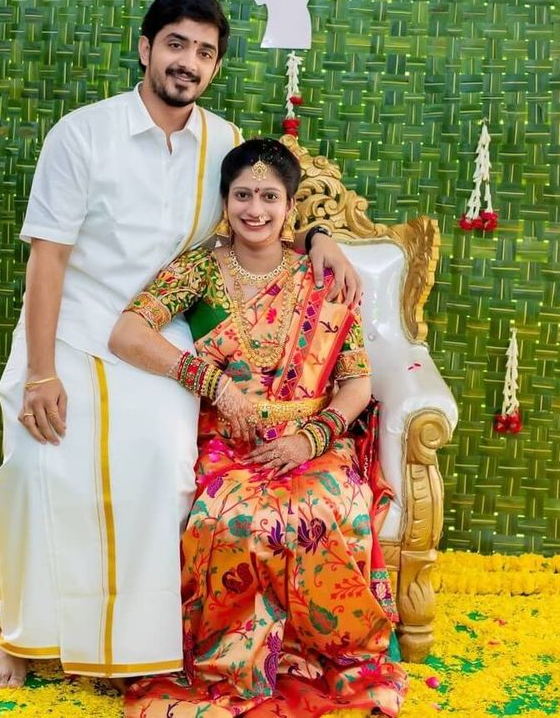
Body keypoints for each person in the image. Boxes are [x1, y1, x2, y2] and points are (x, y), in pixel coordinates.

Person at [0, 0, 362, 688]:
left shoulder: (219, 140)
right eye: (178, 44)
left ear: (215, 67)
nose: (189, 62)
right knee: (41, 463)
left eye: (205, 52)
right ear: (146, 48)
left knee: (161, 463)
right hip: (68, 329)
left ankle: (126, 646)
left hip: (161, 343)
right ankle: (24, 636)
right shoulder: (82, 134)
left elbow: (254, 214)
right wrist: (40, 372)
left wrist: (319, 235)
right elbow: (47, 258)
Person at [109, 138, 407, 718]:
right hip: (229, 441)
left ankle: (314, 654)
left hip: (314, 439)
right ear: (225, 200)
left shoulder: (323, 277)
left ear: (290, 207)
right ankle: (230, 667)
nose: (255, 209)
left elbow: (357, 383)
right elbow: (127, 332)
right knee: (235, 520)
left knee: (331, 510)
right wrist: (209, 380)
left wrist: (311, 438)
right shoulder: (200, 267)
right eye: (242, 194)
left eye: (269, 196)